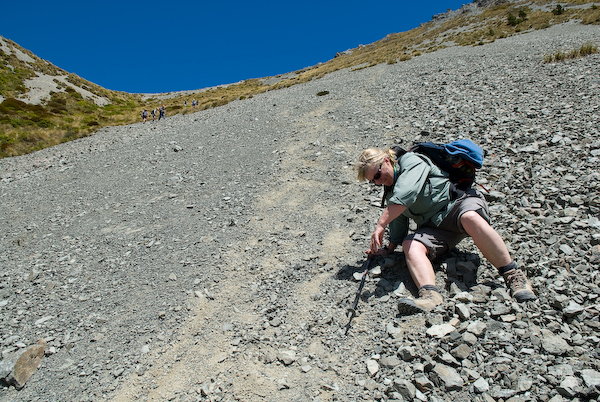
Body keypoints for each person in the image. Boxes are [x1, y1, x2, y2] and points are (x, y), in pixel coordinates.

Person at [355, 146, 536, 315]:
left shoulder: (412, 161)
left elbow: (407, 193)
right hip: (437, 227)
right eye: (374, 182)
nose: (379, 182)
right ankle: (430, 295)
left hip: (459, 205)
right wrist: (389, 247)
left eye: (378, 175)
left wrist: (380, 225)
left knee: (469, 218)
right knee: (410, 244)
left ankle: (514, 276)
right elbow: (399, 220)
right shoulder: (391, 191)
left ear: (387, 160)